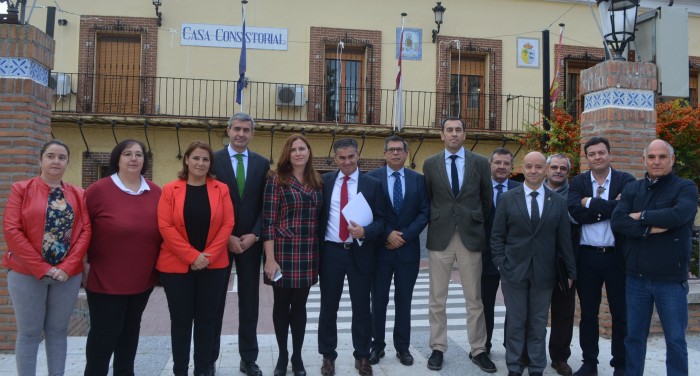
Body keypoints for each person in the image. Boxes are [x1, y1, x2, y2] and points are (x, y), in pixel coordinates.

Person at [2, 140, 92, 376]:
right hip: (26, 273)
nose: (56, 161)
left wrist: (68, 266)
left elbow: (85, 231)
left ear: (67, 162)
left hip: (66, 275)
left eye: (61, 157)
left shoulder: (78, 194)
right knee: (29, 333)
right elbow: (12, 231)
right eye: (51, 156)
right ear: (40, 160)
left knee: (57, 331)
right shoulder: (21, 189)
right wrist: (42, 267)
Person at [611, 139, 698, 376]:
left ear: (671, 159)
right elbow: (618, 221)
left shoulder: (685, 187)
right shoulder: (633, 189)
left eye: (662, 157)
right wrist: (649, 228)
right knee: (634, 338)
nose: (656, 161)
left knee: (676, 341)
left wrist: (641, 215)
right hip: (636, 278)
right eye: (652, 157)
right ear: (644, 160)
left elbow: (680, 215)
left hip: (670, 279)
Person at [491, 151, 575, 376]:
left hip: (544, 273)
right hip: (513, 272)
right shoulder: (509, 198)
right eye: (529, 167)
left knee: (538, 324)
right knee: (516, 323)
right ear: (522, 168)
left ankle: (537, 368)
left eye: (539, 167)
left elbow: (564, 239)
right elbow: (497, 236)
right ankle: (515, 367)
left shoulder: (557, 201)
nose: (534, 171)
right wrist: (501, 263)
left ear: (546, 170)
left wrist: (570, 270)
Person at [422, 117, 496, 373]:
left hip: (471, 235)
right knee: (436, 298)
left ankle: (479, 349)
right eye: (449, 130)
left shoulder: (479, 163)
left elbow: (486, 201)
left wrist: (474, 223)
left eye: (458, 130)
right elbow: (430, 198)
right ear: (442, 135)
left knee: (474, 298)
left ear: (465, 134)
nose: (454, 134)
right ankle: (437, 348)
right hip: (440, 236)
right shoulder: (430, 164)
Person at [83, 139, 162, 376]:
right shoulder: (98, 191)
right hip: (104, 280)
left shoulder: (155, 191)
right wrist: (83, 264)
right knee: (104, 336)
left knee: (130, 335)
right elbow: (81, 230)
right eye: (127, 154)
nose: (133, 158)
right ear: (117, 158)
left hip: (142, 280)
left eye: (138, 154)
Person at [157, 141, 234, 376]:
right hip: (176, 266)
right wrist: (192, 256)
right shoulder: (170, 189)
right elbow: (165, 226)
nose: (200, 163)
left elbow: (227, 224)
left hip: (213, 266)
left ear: (211, 163)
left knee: (207, 321)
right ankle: (180, 370)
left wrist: (206, 257)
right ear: (187, 160)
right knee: (180, 322)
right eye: (196, 158)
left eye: (205, 159)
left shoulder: (221, 189)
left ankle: (202, 370)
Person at [317, 138, 386, 376]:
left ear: (358, 156)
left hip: (360, 251)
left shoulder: (372, 184)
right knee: (328, 308)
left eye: (351, 157)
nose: (347, 162)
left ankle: (362, 356)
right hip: (331, 253)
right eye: (342, 158)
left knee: (361, 309)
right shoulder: (324, 182)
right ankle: (328, 356)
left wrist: (366, 232)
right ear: (335, 159)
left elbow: (382, 221)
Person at [568, 137, 634, 376]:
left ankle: (621, 364)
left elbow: (626, 211)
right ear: (587, 158)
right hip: (586, 258)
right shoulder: (577, 182)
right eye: (592, 154)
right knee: (588, 314)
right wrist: (609, 207)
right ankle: (589, 363)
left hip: (617, 258)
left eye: (601, 152)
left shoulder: (625, 180)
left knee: (621, 314)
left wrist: (590, 204)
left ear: (610, 154)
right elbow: (574, 211)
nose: (597, 157)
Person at [212, 112, 270, 376]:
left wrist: (255, 234)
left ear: (252, 134)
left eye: (246, 130)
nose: (241, 134)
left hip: (251, 244)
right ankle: (208, 357)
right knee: (213, 303)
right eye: (236, 129)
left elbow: (265, 204)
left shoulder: (261, 163)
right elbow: (208, 202)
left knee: (249, 303)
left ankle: (248, 358)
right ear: (228, 129)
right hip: (219, 243)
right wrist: (227, 236)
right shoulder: (213, 160)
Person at [262, 135, 323, 376]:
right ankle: (282, 355)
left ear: (309, 152)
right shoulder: (276, 180)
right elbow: (268, 221)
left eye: (302, 148)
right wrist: (269, 258)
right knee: (280, 305)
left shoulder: (318, 181)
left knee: (300, 306)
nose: (298, 153)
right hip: (282, 254)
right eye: (293, 149)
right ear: (287, 154)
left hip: (308, 253)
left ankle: (297, 357)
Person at [366, 136, 429, 366]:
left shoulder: (418, 180)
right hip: (380, 250)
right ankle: (377, 346)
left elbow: (424, 212)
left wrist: (404, 236)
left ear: (406, 154)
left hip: (407, 251)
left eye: (399, 150)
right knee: (378, 299)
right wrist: (387, 234)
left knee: (404, 300)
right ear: (384, 154)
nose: (395, 153)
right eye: (391, 150)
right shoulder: (371, 179)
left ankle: (403, 348)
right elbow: (368, 213)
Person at [481, 147, 520, 356]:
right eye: (498, 162)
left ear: (512, 167)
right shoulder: (479, 189)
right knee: (485, 303)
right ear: (491, 165)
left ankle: (511, 346)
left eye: (506, 163)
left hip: (514, 259)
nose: (502, 167)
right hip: (485, 257)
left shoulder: (520, 189)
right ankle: (483, 346)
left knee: (513, 306)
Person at [544, 153, 575, 376]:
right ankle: (525, 352)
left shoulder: (574, 196)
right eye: (554, 167)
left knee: (563, 313)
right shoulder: (534, 192)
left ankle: (560, 357)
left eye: (563, 168)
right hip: (535, 262)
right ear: (547, 170)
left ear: (568, 172)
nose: (558, 171)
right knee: (531, 311)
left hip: (564, 263)